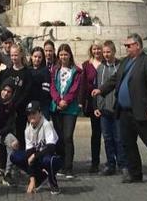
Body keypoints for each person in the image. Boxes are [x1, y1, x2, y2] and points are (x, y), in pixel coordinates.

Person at [91, 34, 147, 186]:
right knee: (128, 144)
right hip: (124, 112)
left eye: (128, 45)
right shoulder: (126, 62)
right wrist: (101, 90)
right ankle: (135, 174)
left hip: (142, 112)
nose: (126, 48)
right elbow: (115, 79)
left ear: (137, 45)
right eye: (125, 46)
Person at [8, 102, 61, 195]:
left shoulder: (46, 124)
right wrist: (32, 179)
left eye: (34, 113)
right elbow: (29, 154)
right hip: (39, 156)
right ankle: (39, 177)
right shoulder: (27, 130)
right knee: (14, 156)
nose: (31, 116)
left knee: (48, 160)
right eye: (29, 114)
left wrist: (34, 156)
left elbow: (51, 148)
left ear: (40, 113)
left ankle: (53, 184)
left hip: (55, 157)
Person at [92, 40, 126, 176]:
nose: (106, 54)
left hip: (118, 108)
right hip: (104, 109)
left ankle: (123, 163)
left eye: (108, 52)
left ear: (114, 52)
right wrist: (96, 106)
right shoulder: (100, 68)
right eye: (104, 52)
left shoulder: (121, 66)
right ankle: (110, 164)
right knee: (107, 138)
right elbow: (97, 88)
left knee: (119, 138)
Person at [49, 43, 84, 179]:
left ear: (70, 55)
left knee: (68, 137)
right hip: (57, 107)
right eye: (61, 54)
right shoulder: (55, 69)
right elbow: (52, 87)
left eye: (66, 54)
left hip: (70, 109)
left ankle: (69, 167)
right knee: (59, 137)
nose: (63, 57)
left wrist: (66, 101)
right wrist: (58, 100)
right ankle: (61, 164)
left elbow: (75, 88)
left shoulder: (76, 71)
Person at [83, 42, 104, 173]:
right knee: (95, 134)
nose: (97, 51)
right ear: (91, 50)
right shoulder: (86, 65)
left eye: (99, 49)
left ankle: (115, 161)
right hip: (92, 102)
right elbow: (83, 84)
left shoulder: (107, 63)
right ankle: (95, 163)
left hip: (106, 100)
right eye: (94, 49)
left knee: (110, 134)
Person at [28, 47, 52, 117]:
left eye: (39, 57)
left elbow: (46, 90)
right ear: (31, 57)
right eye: (35, 56)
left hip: (42, 106)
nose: (37, 59)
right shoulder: (27, 70)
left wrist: (38, 104)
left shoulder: (45, 70)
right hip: (30, 104)